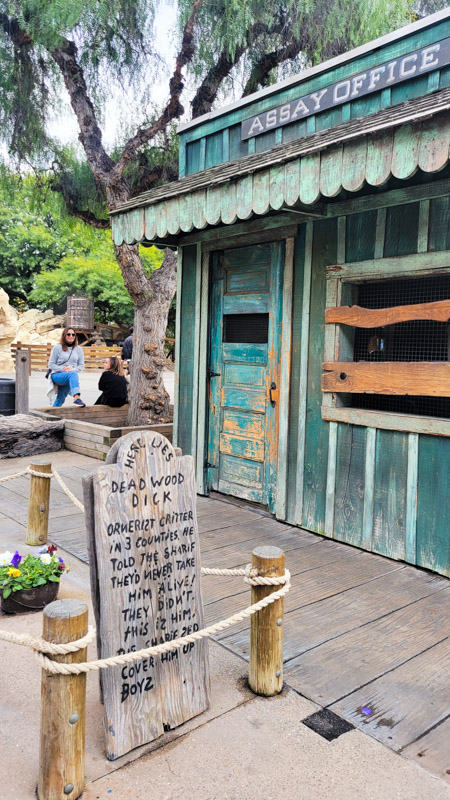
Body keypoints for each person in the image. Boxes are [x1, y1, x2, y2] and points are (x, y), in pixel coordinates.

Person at [48, 328, 86, 407]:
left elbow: (81, 365)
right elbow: (51, 364)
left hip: (70, 375)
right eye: (68, 334)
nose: (71, 336)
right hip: (57, 375)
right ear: (64, 335)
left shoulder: (79, 349)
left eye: (73, 334)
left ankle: (51, 415)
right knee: (73, 374)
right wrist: (63, 369)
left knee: (61, 398)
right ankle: (76, 398)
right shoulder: (57, 348)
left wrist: (72, 369)